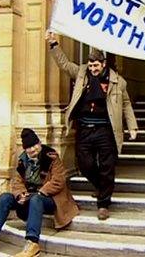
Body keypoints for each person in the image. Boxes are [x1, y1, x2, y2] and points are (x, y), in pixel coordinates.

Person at [46, 31, 138, 221]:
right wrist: (54, 44)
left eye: (96, 65)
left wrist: (132, 126)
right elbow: (64, 64)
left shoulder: (117, 81)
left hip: (106, 130)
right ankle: (102, 187)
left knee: (107, 166)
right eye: (90, 65)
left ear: (103, 64)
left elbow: (126, 104)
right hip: (85, 128)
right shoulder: (81, 73)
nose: (93, 69)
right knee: (85, 164)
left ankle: (103, 204)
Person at [0, 128, 79, 257]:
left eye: (34, 145)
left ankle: (32, 244)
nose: (32, 149)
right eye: (28, 147)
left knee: (36, 199)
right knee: (5, 197)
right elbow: (17, 182)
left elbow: (58, 181)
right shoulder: (22, 161)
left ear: (39, 144)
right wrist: (20, 195)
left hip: (51, 199)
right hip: (30, 197)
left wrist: (41, 192)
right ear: (25, 149)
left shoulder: (52, 158)